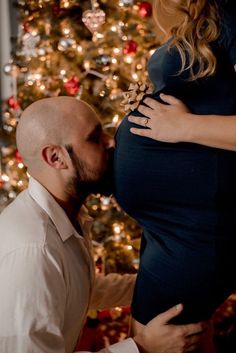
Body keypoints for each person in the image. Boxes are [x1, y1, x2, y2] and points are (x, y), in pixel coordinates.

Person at [0, 96, 204, 353]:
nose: (111, 142)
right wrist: (142, 347)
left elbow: (80, 289)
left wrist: (162, 282)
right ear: (55, 157)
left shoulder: (63, 215)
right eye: (95, 137)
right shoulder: (33, 249)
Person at [113, 0, 236, 348]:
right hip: (170, 225)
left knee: (161, 338)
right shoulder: (201, 14)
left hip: (197, 227)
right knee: (160, 338)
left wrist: (185, 126)